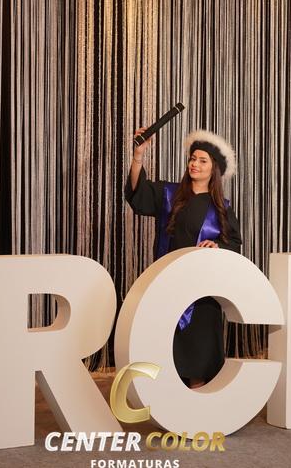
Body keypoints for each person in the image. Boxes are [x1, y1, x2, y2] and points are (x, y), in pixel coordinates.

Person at [125, 127, 242, 389]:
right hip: (169, 282)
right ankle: (169, 398)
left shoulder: (222, 208)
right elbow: (137, 193)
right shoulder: (169, 194)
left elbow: (234, 244)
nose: (195, 164)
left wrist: (218, 246)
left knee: (199, 348)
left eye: (203, 161)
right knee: (167, 346)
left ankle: (198, 397)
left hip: (203, 292)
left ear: (214, 169)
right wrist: (138, 155)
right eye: (192, 158)